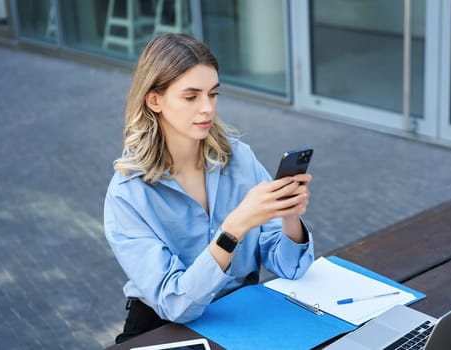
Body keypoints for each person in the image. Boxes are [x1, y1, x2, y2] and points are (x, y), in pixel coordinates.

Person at [103, 33, 316, 344]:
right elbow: (175, 303)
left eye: (213, 94)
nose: (207, 108)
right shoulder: (128, 193)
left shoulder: (239, 158)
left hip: (240, 314)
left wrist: (289, 215)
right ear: (155, 100)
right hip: (163, 329)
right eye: (191, 97)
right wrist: (233, 230)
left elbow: (290, 267)